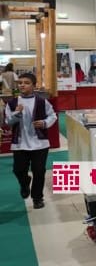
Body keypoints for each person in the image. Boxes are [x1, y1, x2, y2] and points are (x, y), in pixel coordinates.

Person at [4, 72, 56, 209]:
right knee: (18, 170)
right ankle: (25, 182)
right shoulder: (12, 103)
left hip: (40, 143)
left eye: (26, 83)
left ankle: (37, 198)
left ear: (34, 85)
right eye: (20, 83)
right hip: (20, 144)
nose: (22, 85)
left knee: (39, 171)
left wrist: (44, 123)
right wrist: (16, 114)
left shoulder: (42, 101)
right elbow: (8, 122)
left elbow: (52, 116)